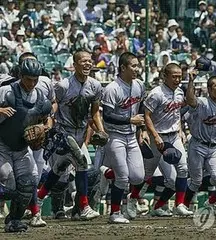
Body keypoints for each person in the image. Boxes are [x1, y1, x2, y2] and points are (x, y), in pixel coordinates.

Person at [37, 49, 104, 220]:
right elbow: (53, 105)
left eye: (89, 60)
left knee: (58, 169)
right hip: (63, 132)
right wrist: (48, 125)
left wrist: (101, 130)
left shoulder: (95, 86)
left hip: (80, 133)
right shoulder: (63, 85)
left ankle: (38, 198)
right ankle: (84, 206)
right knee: (82, 162)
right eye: (83, 61)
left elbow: (95, 112)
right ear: (74, 65)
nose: (87, 63)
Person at [130, 63, 191, 217]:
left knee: (182, 169)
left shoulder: (179, 92)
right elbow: (147, 116)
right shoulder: (156, 93)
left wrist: (180, 130)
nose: (177, 79)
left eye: (179, 76)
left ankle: (177, 205)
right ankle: (132, 200)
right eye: (174, 76)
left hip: (173, 135)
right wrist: (155, 136)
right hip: (156, 137)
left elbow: (177, 113)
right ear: (165, 76)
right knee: (146, 174)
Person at [0, 58, 51, 232]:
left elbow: (47, 117)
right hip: (2, 143)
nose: (32, 83)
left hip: (21, 147)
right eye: (28, 79)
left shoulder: (40, 96)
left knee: (28, 184)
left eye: (35, 79)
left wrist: (45, 127)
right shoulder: (7, 91)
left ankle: (14, 220)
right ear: (21, 76)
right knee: (7, 178)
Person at [100, 52, 147, 224]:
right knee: (123, 177)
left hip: (131, 135)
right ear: (123, 68)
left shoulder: (139, 85)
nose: (137, 69)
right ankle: (114, 213)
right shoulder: (112, 88)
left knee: (138, 177)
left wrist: (142, 129)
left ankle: (105, 173)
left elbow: (141, 106)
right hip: (115, 136)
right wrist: (130, 120)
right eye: (133, 66)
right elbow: (107, 115)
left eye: (137, 65)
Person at [183, 74, 216, 214]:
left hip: (214, 147)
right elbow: (190, 100)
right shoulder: (202, 102)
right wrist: (191, 80)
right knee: (196, 181)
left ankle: (211, 202)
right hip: (197, 145)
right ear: (209, 89)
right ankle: (183, 205)